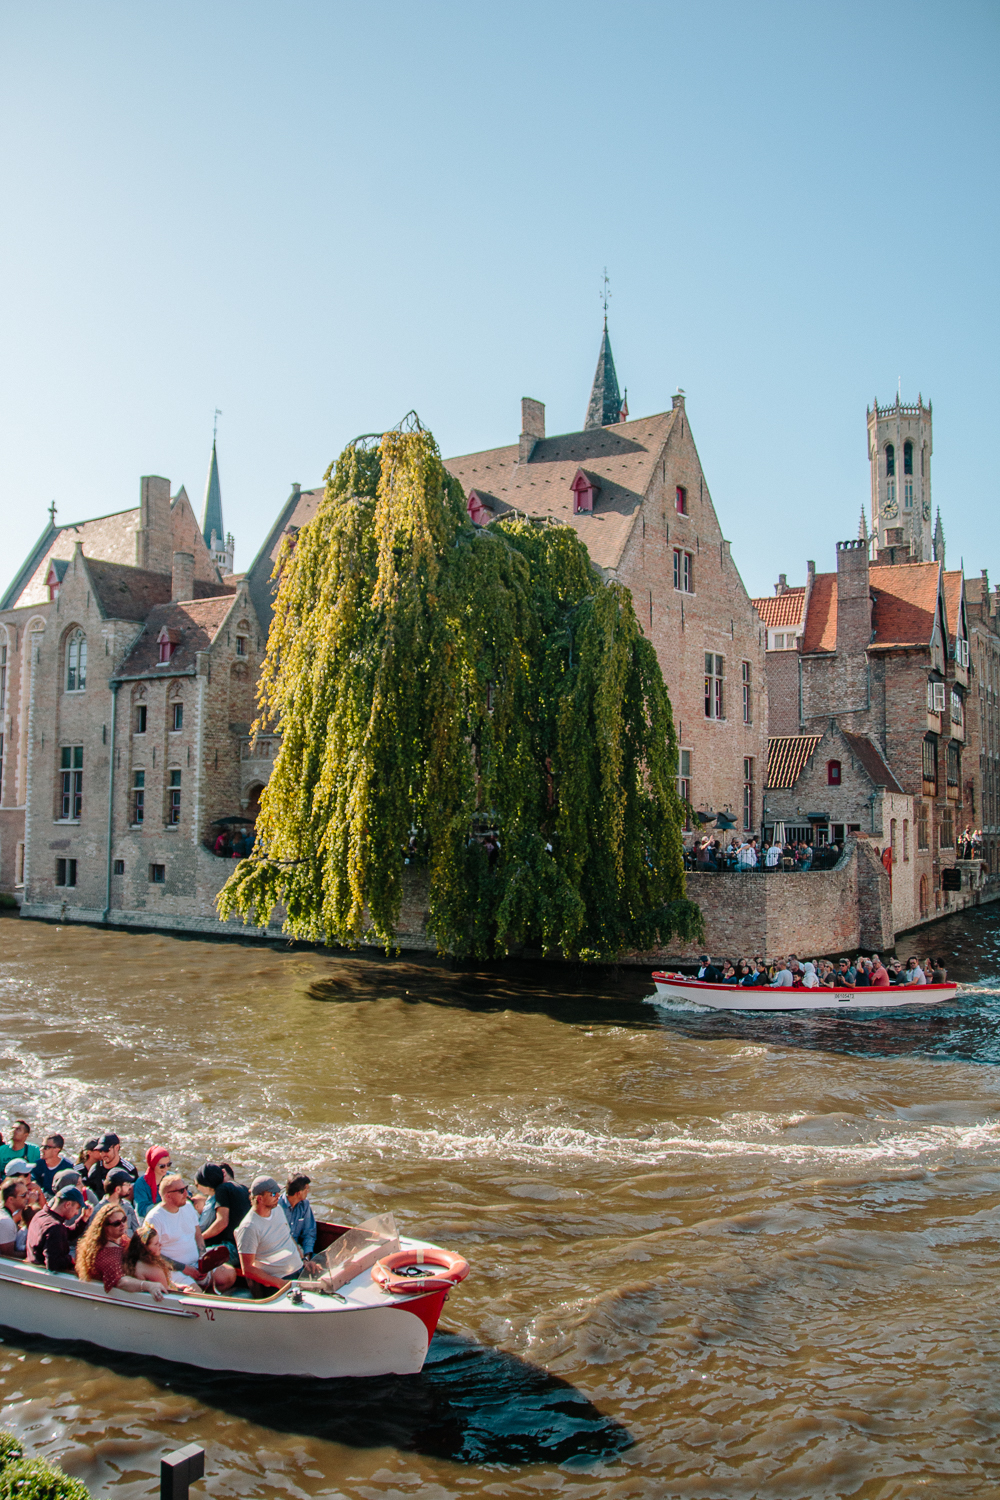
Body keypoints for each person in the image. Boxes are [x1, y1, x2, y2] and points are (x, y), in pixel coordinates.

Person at [144, 1173, 236, 1292]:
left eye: (186, 1188)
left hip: (196, 1263)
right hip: (174, 1270)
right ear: (168, 1196)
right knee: (195, 1295)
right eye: (181, 1191)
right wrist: (183, 1268)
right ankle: (204, 1299)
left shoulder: (188, 1207)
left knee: (229, 1275)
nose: (186, 1194)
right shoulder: (154, 1219)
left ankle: (209, 1296)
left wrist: (203, 1260)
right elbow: (150, 1255)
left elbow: (198, 1235)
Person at [236, 1176, 322, 1296]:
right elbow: (248, 1269)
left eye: (278, 1192)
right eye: (273, 1194)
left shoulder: (278, 1210)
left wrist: (304, 1260)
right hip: (279, 1282)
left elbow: (288, 1238)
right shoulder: (249, 1227)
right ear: (259, 1198)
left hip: (299, 1271)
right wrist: (280, 1283)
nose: (278, 1196)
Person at [76, 1201, 164, 1299]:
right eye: (117, 1223)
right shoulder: (106, 1253)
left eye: (124, 1219)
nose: (122, 1224)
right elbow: (121, 1282)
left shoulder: (122, 1240)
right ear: (105, 1227)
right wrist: (149, 1286)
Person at [195, 1163, 251, 1265]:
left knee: (193, 1258)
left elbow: (222, 1222)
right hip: (248, 1249)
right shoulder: (244, 1188)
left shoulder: (222, 1189)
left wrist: (200, 1237)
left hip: (232, 1249)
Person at [25, 1186, 88, 1273]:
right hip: (45, 1281)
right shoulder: (55, 1227)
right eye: (77, 1208)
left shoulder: (40, 1215)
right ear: (68, 1204)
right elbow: (54, 1264)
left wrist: (83, 1219)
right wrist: (71, 1260)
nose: (77, 1213)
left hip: (32, 1272)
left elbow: (66, 1234)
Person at [123, 1225, 189, 1294]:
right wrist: (185, 1293)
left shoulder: (132, 1261)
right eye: (156, 1244)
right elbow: (168, 1293)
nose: (160, 1245)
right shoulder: (153, 1269)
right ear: (145, 1248)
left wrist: (178, 1286)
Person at [86, 1133, 137, 1198]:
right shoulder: (95, 1170)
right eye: (101, 1151)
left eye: (107, 1150)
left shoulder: (129, 1170)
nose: (103, 1154)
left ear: (117, 1148)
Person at [279, 1175, 318, 1258]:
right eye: (307, 1189)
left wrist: (307, 1255)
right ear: (298, 1193)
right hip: (282, 1253)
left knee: (323, 1262)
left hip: (300, 1252)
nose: (308, 1191)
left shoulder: (305, 1205)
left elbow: (309, 1232)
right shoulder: (277, 1207)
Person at [133, 1146, 172, 1219]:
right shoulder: (141, 1184)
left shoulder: (171, 1178)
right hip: (151, 1219)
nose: (166, 1168)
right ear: (153, 1165)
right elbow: (142, 1209)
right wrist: (165, 1208)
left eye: (168, 1164)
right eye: (162, 1166)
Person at [104, 1168, 140, 1236]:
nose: (130, 1187)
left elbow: (137, 1231)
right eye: (127, 1184)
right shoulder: (99, 1210)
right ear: (117, 1189)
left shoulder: (127, 1205)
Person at [0, 1178, 28, 1259]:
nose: (27, 1197)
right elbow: (8, 1255)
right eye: (23, 1195)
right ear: (10, 1199)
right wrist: (33, 1253)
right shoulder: (6, 1221)